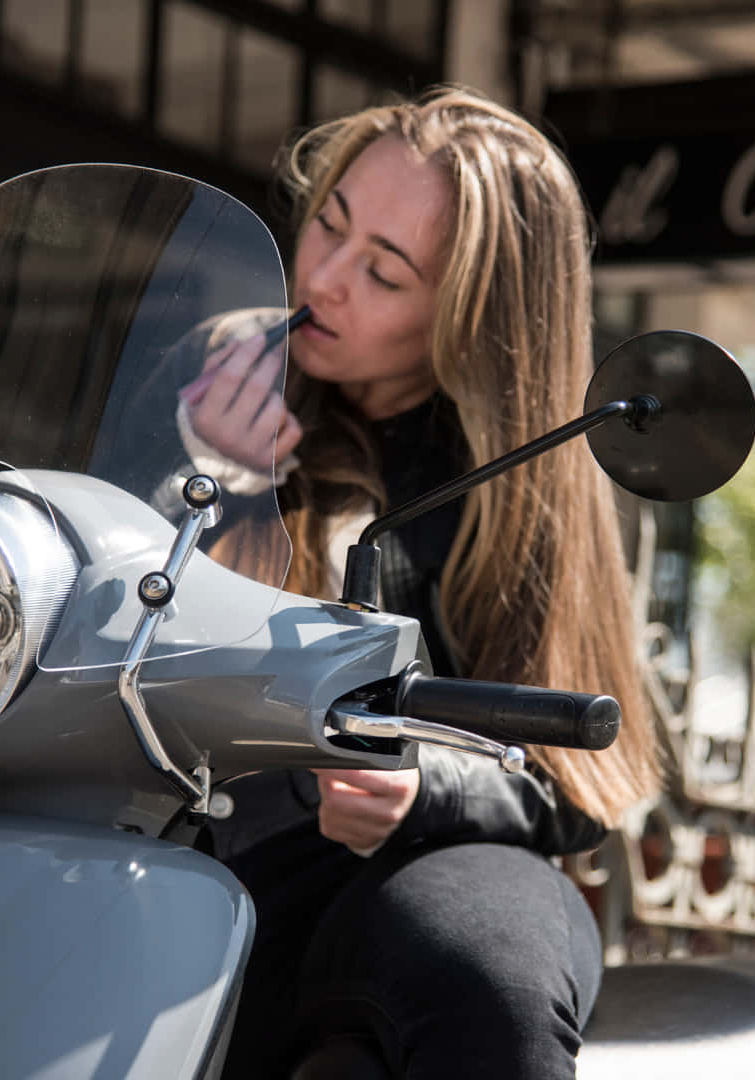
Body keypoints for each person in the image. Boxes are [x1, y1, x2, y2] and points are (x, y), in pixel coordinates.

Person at [180, 86, 659, 1080]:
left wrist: (421, 787)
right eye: (329, 223)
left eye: (385, 272)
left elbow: (585, 784)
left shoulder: (526, 481)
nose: (325, 277)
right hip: (197, 867)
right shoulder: (211, 376)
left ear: (469, 317)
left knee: (489, 975)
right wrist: (209, 493)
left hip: (426, 874)